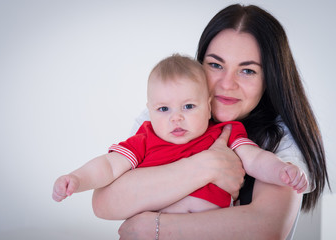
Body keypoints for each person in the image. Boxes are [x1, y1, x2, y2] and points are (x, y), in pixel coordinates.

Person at [91, 4, 330, 240]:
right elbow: (104, 202)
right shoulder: (168, 115)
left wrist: (155, 228)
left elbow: (265, 227)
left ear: (270, 78)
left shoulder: (280, 136)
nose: (227, 84)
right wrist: (206, 166)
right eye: (216, 65)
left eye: (247, 71)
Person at [52, 54, 308, 214]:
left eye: (188, 106)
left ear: (208, 106)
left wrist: (281, 171)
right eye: (163, 109)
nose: (176, 117)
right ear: (149, 111)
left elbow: (255, 159)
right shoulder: (145, 139)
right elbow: (107, 167)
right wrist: (76, 179)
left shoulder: (224, 133)